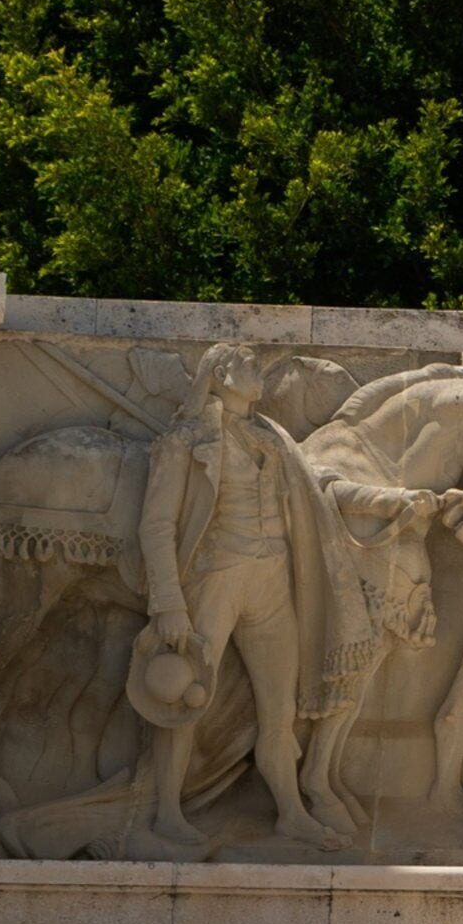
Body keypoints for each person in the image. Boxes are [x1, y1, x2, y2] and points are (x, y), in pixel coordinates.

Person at [134, 341, 383, 851]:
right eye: (248, 365)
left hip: (271, 582)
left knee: (280, 710)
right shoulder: (186, 440)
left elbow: (321, 495)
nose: (258, 372)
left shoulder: (274, 437)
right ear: (221, 375)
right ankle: (164, 813)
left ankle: (291, 812)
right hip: (214, 579)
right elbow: (156, 527)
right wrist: (168, 604)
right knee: (185, 699)